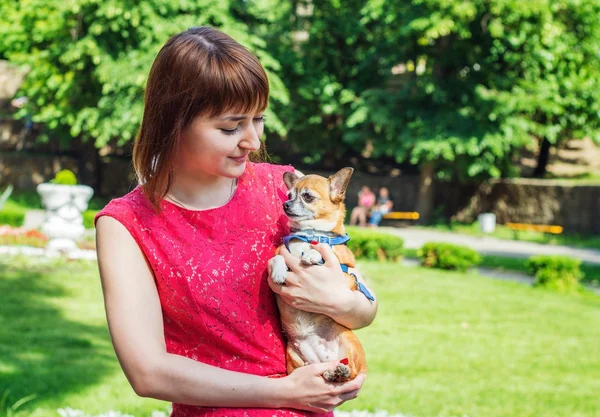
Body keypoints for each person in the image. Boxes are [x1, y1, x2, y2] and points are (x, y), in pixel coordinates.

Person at [94, 26, 377, 417]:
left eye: (258, 120)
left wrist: (342, 302)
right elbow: (148, 372)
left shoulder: (283, 190)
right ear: (174, 122)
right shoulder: (126, 224)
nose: (253, 141)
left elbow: (365, 305)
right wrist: (284, 392)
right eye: (230, 127)